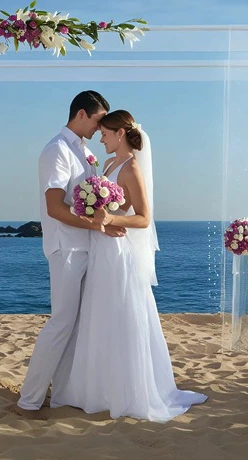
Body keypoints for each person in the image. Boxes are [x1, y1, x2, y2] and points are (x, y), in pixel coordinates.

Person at [53, 110, 207, 421]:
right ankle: (96, 388)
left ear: (120, 133)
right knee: (98, 314)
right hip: (101, 248)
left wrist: (110, 217)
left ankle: (126, 390)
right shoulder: (109, 164)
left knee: (119, 314)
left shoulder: (131, 168)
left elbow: (144, 217)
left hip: (117, 251)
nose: (101, 137)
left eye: (105, 133)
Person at [15, 90, 124, 417]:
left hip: (86, 247)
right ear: (80, 114)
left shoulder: (85, 152)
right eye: (97, 119)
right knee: (61, 322)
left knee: (76, 325)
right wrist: (97, 227)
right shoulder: (57, 151)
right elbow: (53, 207)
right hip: (67, 248)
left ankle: (61, 393)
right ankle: (29, 400)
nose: (100, 126)